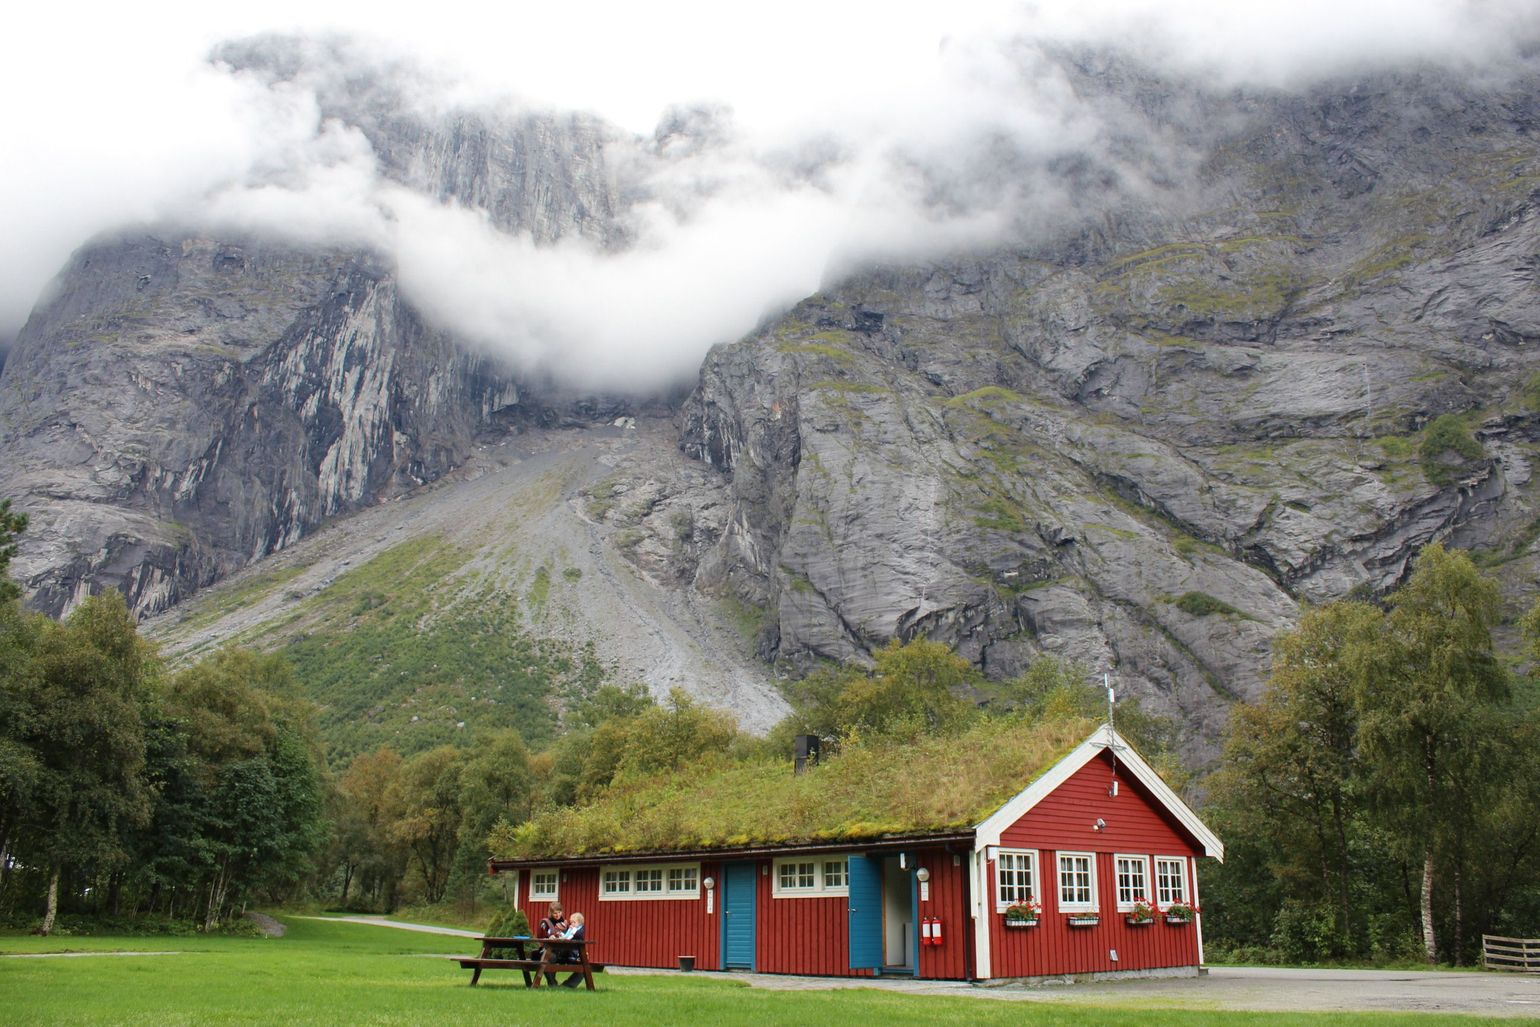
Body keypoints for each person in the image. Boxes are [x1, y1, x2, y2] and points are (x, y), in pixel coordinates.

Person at [536, 903, 568, 985]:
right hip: (547, 949)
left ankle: (567, 985)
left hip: (562, 950)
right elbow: (541, 936)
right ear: (551, 913)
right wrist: (549, 937)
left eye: (559, 912)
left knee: (579, 960)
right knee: (550, 958)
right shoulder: (546, 923)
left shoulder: (565, 924)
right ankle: (552, 983)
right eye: (555, 913)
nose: (558, 915)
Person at [557, 912, 586, 987]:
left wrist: (573, 930)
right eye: (571, 922)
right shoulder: (571, 929)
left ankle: (569, 985)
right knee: (552, 959)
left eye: (574, 922)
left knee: (585, 967)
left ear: (579, 923)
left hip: (575, 953)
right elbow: (566, 934)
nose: (572, 924)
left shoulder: (580, 930)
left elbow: (578, 935)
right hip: (567, 951)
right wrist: (561, 934)